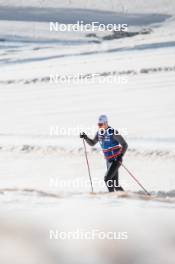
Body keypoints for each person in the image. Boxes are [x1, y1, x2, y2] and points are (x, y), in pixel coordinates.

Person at [80, 115, 128, 192]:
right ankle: (124, 196)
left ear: (106, 123)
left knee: (107, 179)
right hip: (108, 160)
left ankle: (111, 196)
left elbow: (125, 144)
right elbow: (92, 143)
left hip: (116, 159)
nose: (99, 126)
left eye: (101, 124)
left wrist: (121, 155)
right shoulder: (99, 133)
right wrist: (86, 137)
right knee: (115, 184)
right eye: (98, 124)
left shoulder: (113, 132)